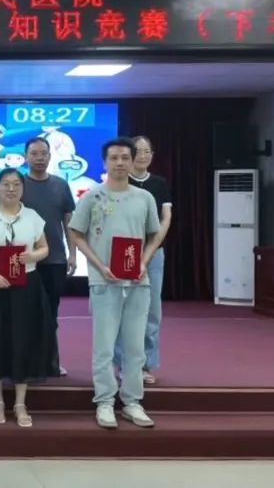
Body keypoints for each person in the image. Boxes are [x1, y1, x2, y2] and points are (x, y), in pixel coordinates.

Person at [69, 138, 162, 429]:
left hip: (137, 282)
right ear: (105, 162)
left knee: (135, 347)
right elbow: (76, 233)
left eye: (125, 157)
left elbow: (154, 235)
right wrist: (99, 266)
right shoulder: (92, 196)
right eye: (114, 158)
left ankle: (132, 402)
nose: (120, 163)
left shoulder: (144, 198)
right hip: (104, 281)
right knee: (104, 347)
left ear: (132, 161)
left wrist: (143, 262)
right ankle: (105, 401)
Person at [0, 168, 54, 428]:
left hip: (26, 286)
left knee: (23, 339)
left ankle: (19, 403)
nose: (11, 189)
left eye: (16, 184)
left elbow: (44, 248)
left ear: (22, 189)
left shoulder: (32, 216)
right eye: (5, 184)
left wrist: (33, 256)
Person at [113, 135, 173, 385]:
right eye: (138, 151)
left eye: (147, 151)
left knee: (151, 310)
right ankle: (123, 364)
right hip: (123, 250)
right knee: (121, 308)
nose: (143, 156)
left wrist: (152, 247)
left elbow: (165, 218)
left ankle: (145, 364)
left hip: (154, 252)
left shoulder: (159, 183)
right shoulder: (119, 181)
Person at [20, 137, 77, 377]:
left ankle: (51, 363)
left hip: (54, 259)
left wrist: (72, 254)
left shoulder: (60, 185)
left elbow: (68, 222)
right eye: (34, 153)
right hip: (23, 260)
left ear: (50, 156)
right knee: (24, 313)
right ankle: (24, 362)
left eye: (43, 153)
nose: (39, 158)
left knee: (51, 314)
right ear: (26, 157)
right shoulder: (17, 184)